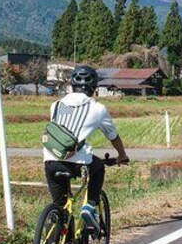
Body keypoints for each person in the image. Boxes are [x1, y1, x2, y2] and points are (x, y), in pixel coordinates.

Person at [43, 65, 129, 229]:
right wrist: (122, 155)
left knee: (60, 209)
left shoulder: (56, 105)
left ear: (72, 85)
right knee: (98, 168)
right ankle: (89, 206)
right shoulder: (98, 109)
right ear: (94, 87)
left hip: (51, 159)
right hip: (79, 162)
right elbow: (113, 137)